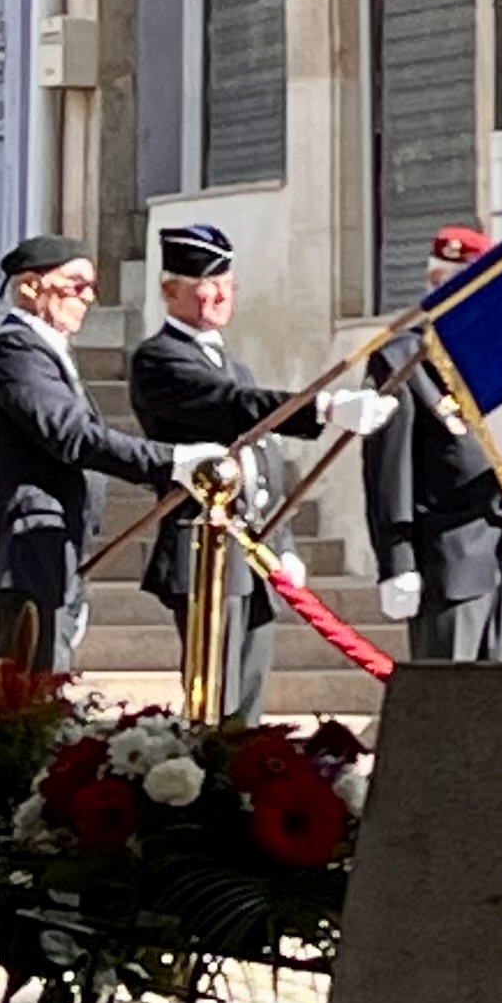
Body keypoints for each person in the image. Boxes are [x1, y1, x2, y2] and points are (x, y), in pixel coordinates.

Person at [130, 222, 400, 719]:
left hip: (254, 550)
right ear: (170, 292)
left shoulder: (230, 363)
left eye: (225, 286)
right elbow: (233, 406)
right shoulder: (159, 360)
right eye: (204, 286)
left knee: (250, 698)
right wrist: (324, 407)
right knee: (217, 700)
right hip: (206, 547)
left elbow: (263, 463)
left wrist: (285, 544)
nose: (217, 297)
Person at [0, 233, 222, 672]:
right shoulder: (13, 350)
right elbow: (72, 436)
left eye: (92, 287)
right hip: (27, 553)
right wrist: (173, 461)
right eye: (77, 285)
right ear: (31, 287)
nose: (88, 298)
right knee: (36, 689)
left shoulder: (45, 351)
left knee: (49, 685)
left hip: (56, 552)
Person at [362, 224, 502, 663]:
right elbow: (388, 471)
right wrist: (397, 562)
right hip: (450, 560)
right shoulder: (404, 359)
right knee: (448, 695)